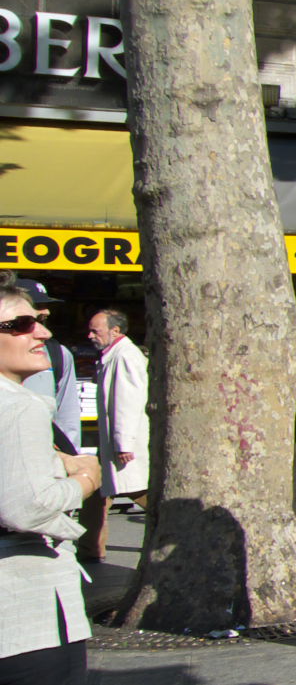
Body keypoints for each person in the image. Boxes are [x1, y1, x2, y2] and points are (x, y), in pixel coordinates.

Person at [0, 271, 101, 685]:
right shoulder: (20, 406)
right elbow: (27, 506)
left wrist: (56, 461)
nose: (41, 331)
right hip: (26, 613)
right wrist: (86, 481)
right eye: (21, 325)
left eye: (38, 321)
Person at [78, 308, 149, 563]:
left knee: (135, 490)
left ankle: (179, 532)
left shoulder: (126, 356)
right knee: (97, 490)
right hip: (112, 439)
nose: (90, 336)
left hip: (123, 440)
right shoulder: (113, 355)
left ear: (115, 330)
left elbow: (128, 401)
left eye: (95, 330)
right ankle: (90, 548)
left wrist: (123, 442)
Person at [14, 279, 81, 452]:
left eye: (45, 306)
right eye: (36, 305)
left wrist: (71, 458)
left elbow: (68, 416)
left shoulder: (58, 354)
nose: (46, 311)